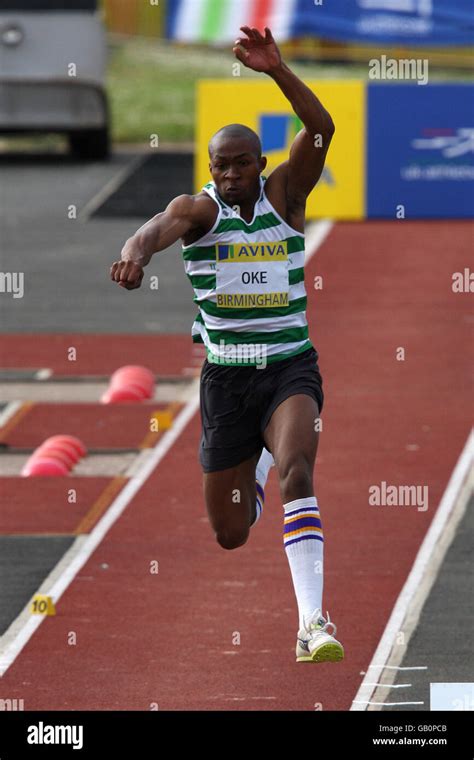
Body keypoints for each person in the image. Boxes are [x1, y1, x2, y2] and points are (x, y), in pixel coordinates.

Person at [110, 25, 344, 663]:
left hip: (290, 368)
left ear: (262, 165)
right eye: (222, 165)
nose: (234, 174)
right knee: (231, 534)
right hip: (226, 381)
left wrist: (277, 69)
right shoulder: (199, 211)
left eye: (244, 163)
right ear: (210, 169)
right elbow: (156, 229)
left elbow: (321, 127)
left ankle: (313, 624)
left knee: (301, 471)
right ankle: (257, 463)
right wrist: (132, 254)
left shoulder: (287, 198)